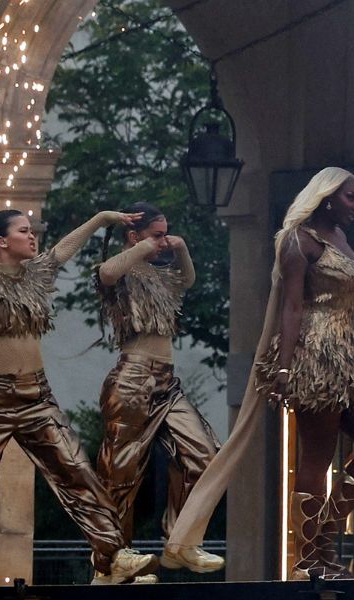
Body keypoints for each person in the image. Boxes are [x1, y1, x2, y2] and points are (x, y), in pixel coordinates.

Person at [0, 200, 158, 586]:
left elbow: (63, 249)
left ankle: (113, 558)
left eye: (32, 230)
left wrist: (100, 218)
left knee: (77, 471)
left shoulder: (36, 275)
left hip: (36, 398)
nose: (32, 236)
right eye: (24, 230)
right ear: (1, 241)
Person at [163, 167, 354, 580]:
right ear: (327, 198)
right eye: (351, 197)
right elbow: (291, 307)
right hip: (313, 357)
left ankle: (324, 537)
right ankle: (308, 560)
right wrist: (284, 366)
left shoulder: (341, 239)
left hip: (347, 358)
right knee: (317, 456)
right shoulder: (299, 242)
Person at [94, 202, 222, 580]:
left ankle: (180, 542)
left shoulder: (161, 277)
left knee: (204, 453)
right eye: (158, 234)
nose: (164, 241)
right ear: (135, 237)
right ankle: (111, 562)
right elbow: (106, 271)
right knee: (121, 472)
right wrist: (143, 246)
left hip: (167, 381)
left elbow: (187, 281)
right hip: (132, 378)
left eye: (167, 233)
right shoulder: (123, 270)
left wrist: (179, 248)